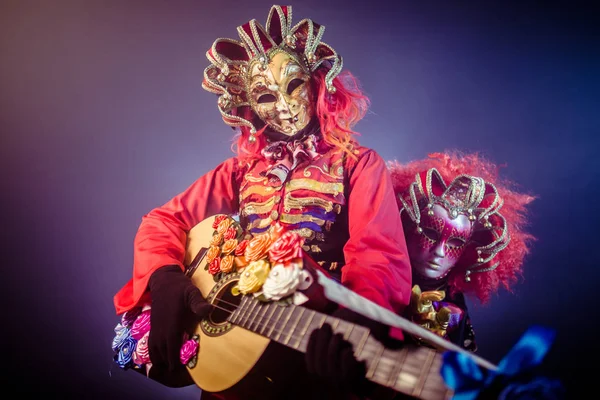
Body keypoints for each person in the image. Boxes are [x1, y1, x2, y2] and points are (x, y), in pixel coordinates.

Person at [112, 5, 411, 400]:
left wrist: (356, 320)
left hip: (316, 347)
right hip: (242, 351)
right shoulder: (238, 172)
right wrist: (165, 276)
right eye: (267, 96)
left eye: (292, 85)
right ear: (250, 106)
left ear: (317, 83)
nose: (284, 107)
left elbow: (379, 254)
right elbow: (161, 222)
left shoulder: (356, 164)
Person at [388, 152, 536, 352]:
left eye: (455, 242)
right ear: (407, 224)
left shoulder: (456, 312)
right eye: (431, 233)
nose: (439, 251)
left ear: (468, 249)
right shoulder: (376, 276)